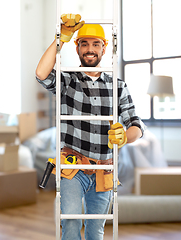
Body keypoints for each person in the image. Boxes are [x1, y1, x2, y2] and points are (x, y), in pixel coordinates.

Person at [35, 14, 145, 240]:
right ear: (77, 49)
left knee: (96, 230)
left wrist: (125, 136)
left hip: (104, 170)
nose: (90, 49)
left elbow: (136, 123)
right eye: (84, 44)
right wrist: (61, 38)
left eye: (96, 44)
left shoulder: (118, 85)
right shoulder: (68, 80)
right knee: (71, 223)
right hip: (72, 168)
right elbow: (41, 74)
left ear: (104, 49)